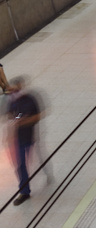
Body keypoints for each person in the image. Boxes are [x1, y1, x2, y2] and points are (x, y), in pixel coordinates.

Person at [6, 76, 43, 205]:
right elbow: (11, 116)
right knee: (20, 165)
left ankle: (44, 173)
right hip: (17, 138)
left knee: (25, 162)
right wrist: (10, 133)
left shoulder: (30, 99)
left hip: (28, 136)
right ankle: (24, 192)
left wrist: (23, 122)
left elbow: (38, 116)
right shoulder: (13, 101)